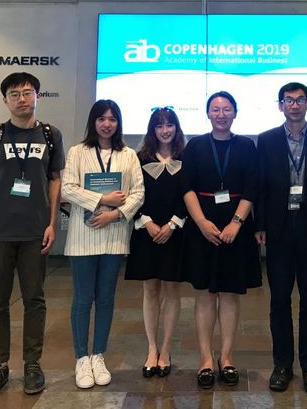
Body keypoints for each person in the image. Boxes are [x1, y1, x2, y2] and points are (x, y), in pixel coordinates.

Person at [0, 72, 65, 400]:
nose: (22, 99)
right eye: (14, 94)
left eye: (27, 92)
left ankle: (32, 364)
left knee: (34, 300)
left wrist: (52, 223)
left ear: (37, 96)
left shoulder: (50, 135)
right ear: (5, 100)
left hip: (35, 234)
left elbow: (55, 180)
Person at [255, 82, 307, 394]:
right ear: (280, 105)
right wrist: (259, 224)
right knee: (279, 299)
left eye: (300, 100)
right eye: (288, 100)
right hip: (277, 228)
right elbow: (260, 186)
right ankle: (282, 364)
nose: (294, 105)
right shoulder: (266, 140)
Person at [180, 91, 261, 389]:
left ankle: (226, 357)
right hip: (202, 228)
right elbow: (186, 187)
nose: (221, 114)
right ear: (208, 114)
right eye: (216, 109)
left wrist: (236, 223)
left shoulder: (247, 146)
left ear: (235, 113)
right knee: (204, 295)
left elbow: (252, 187)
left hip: (235, 228)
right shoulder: (195, 145)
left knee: (229, 295)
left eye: (227, 109)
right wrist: (201, 223)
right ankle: (205, 359)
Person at [62, 99, 144, 389]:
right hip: (83, 237)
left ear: (118, 123)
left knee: (106, 299)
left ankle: (98, 355)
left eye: (112, 119)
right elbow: (67, 189)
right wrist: (102, 199)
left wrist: (114, 214)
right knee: (83, 298)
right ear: (93, 122)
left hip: (114, 236)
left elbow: (138, 193)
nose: (107, 124)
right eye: (101, 119)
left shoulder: (128, 155)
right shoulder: (77, 152)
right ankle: (81, 358)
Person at [125, 107, 186, 378]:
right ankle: (151, 348)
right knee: (150, 289)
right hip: (146, 231)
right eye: (159, 125)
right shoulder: (139, 158)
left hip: (176, 231)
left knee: (172, 290)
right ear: (152, 129)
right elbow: (132, 194)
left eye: (169, 125)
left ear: (176, 128)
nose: (165, 130)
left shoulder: (186, 157)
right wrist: (147, 222)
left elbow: (189, 194)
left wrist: (172, 224)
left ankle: (166, 349)